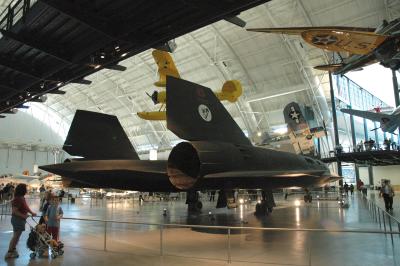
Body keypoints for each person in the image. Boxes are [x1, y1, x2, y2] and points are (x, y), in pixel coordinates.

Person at [5, 183, 36, 259]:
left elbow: (25, 207)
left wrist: (31, 212)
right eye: (26, 188)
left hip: (20, 220)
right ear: (23, 189)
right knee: (16, 237)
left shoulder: (22, 198)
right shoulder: (18, 199)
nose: (27, 190)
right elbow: (14, 211)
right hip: (17, 220)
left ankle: (13, 250)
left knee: (17, 237)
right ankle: (9, 252)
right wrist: (24, 216)